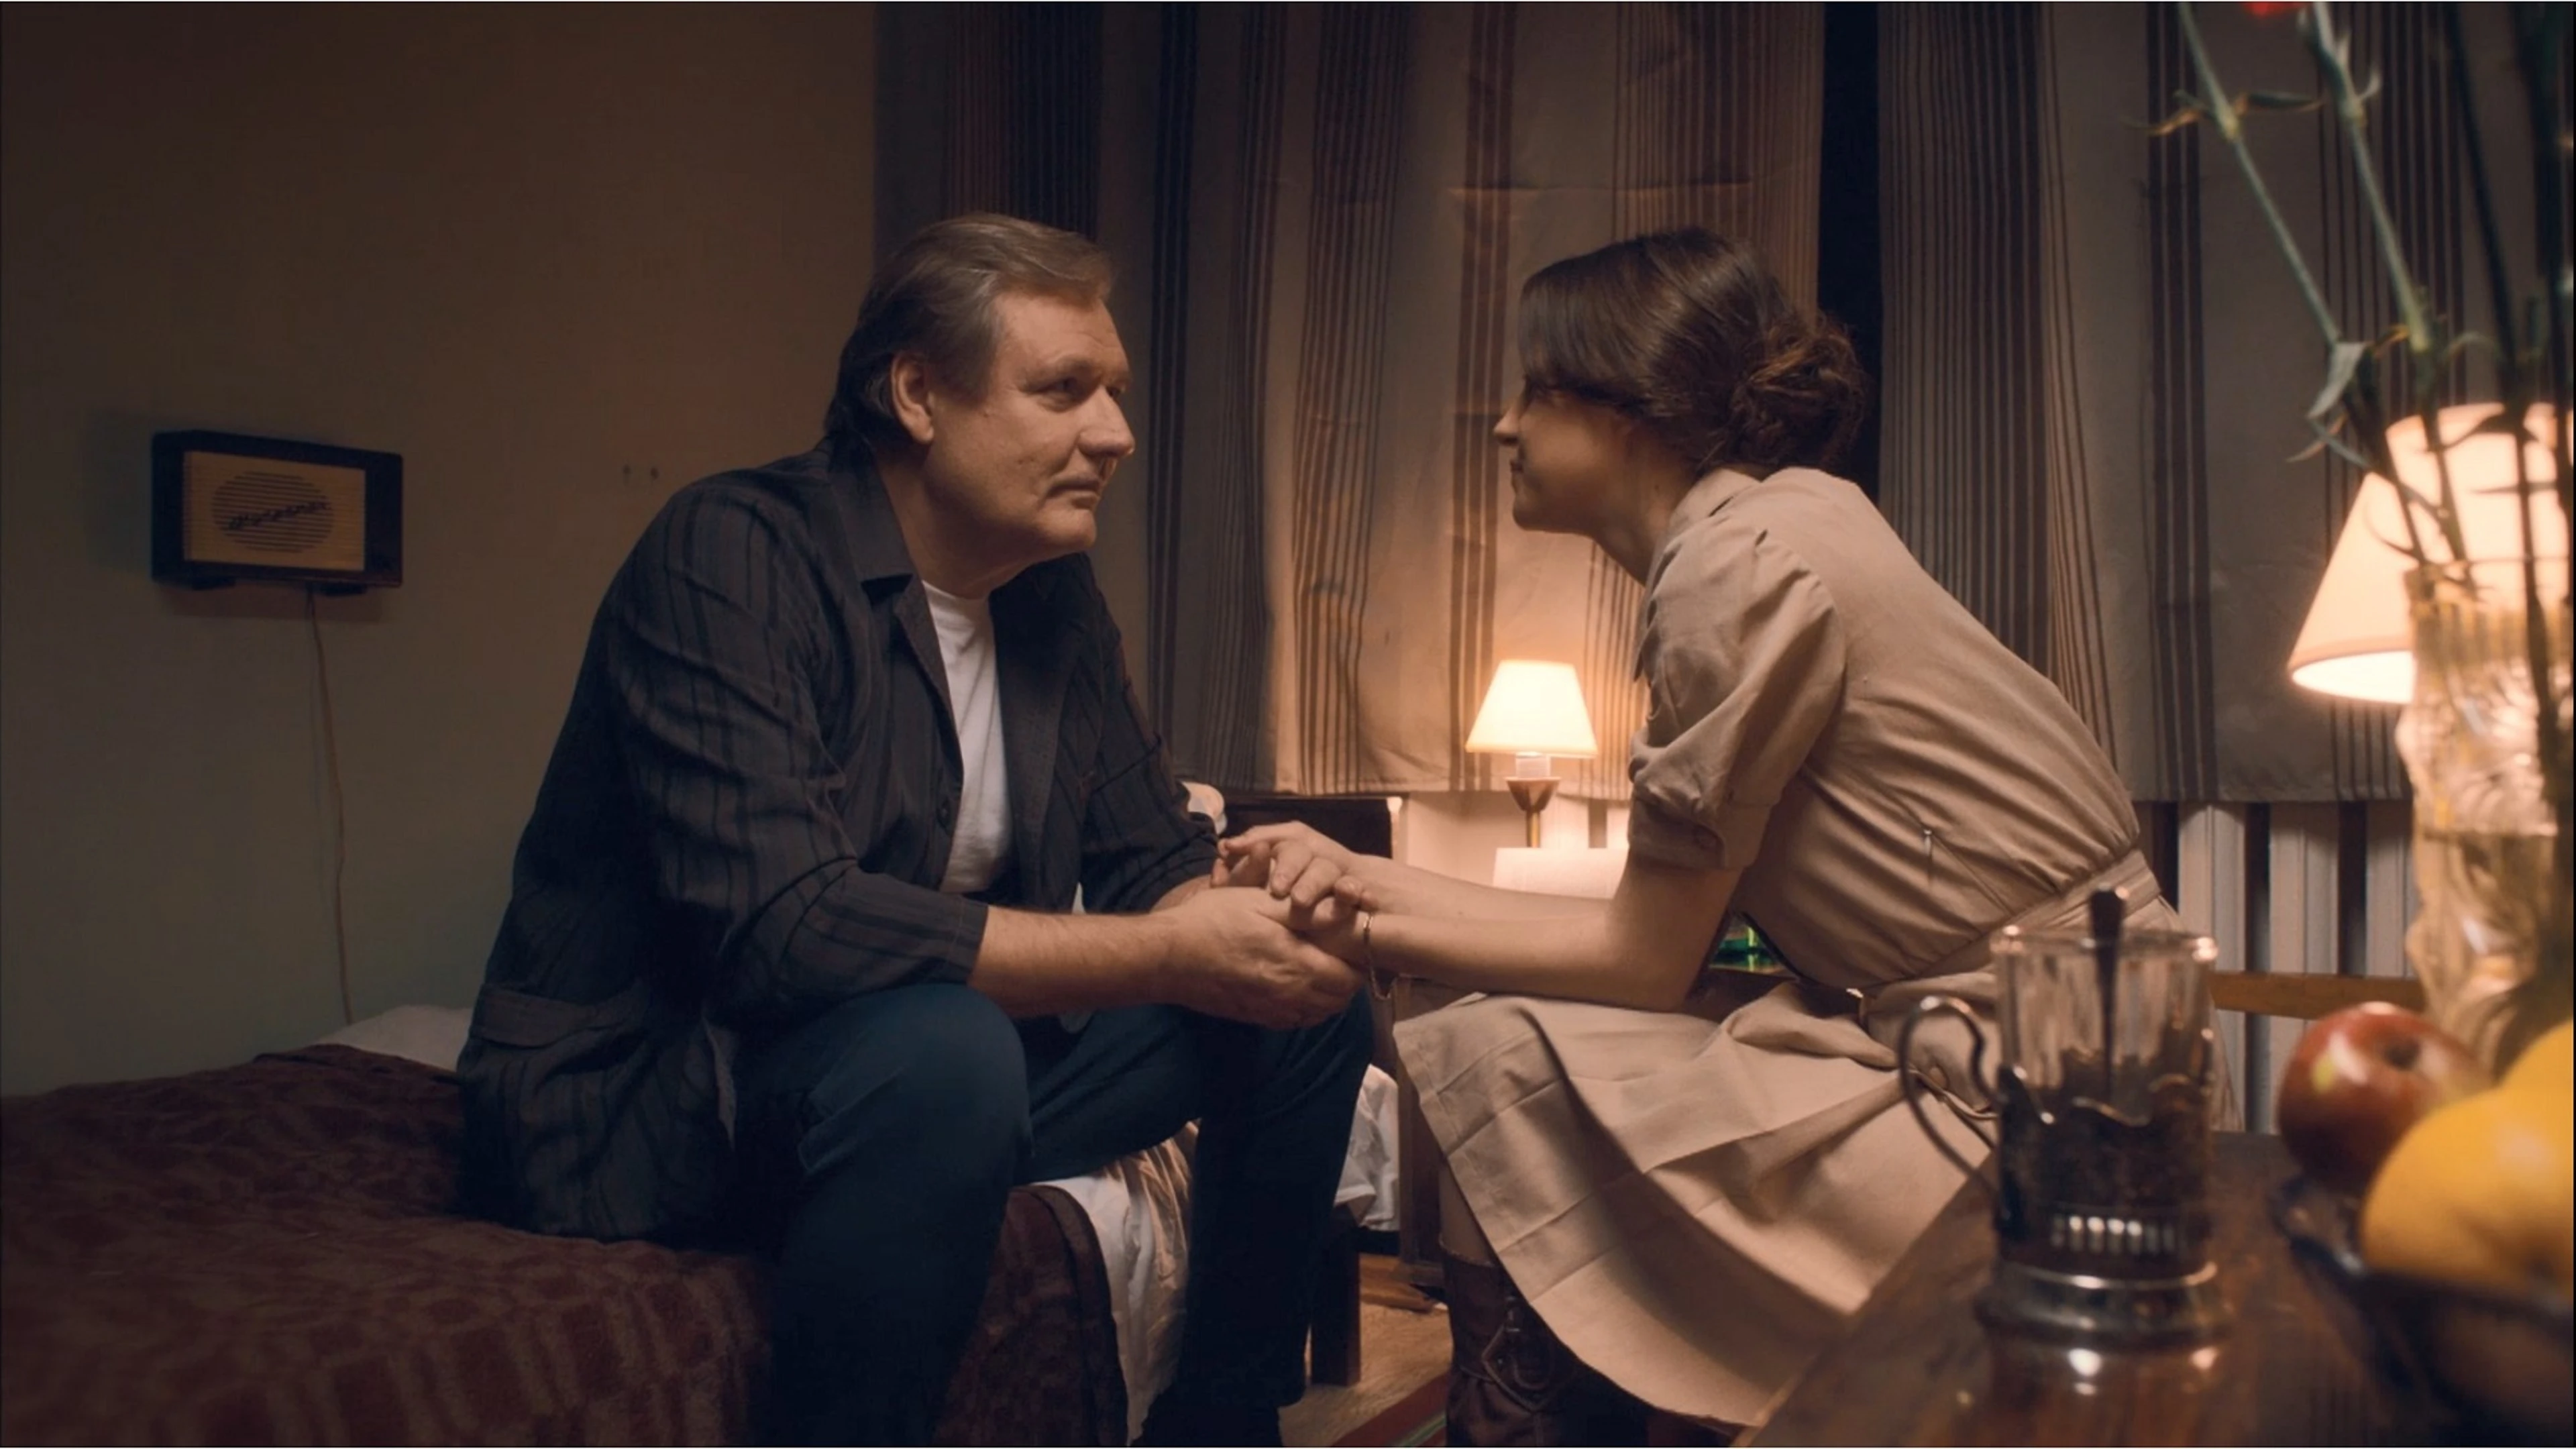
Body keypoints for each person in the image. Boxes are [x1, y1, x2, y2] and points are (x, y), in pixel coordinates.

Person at [1222, 228, 2178, 1443]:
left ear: (1635, 412)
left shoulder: (1739, 565)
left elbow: (1644, 960)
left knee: (1492, 1040)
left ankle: (1527, 1424)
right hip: (2071, 1063)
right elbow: (1647, 928)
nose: (1504, 425)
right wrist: (1367, 881)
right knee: (1498, 1025)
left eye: (1537, 389)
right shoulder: (1783, 522)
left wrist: (1363, 925)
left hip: (2032, 1109)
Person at [456, 213, 1376, 1448]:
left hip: (909, 1086)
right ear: (917, 394)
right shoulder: (731, 552)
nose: (1115, 433)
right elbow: (789, 931)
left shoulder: (1047, 590)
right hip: (665, 1102)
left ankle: (1219, 1418)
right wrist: (1169, 950)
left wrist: (1255, 901)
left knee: (1305, 995)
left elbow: (1152, 860)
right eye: (1064, 390)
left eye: (1115, 393)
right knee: (946, 1048)